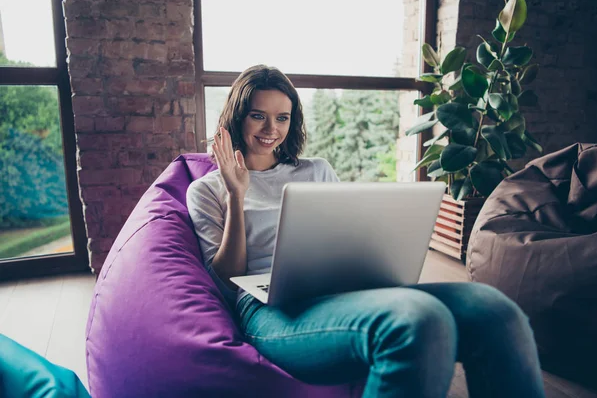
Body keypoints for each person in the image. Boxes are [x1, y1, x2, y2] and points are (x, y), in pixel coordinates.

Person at [186, 64, 546, 398]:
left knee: (495, 309)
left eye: (282, 117)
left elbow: (346, 234)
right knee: (418, 319)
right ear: (237, 117)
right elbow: (227, 279)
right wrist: (236, 194)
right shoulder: (206, 190)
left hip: (333, 287)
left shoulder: (316, 170)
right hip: (268, 307)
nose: (271, 129)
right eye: (258, 116)